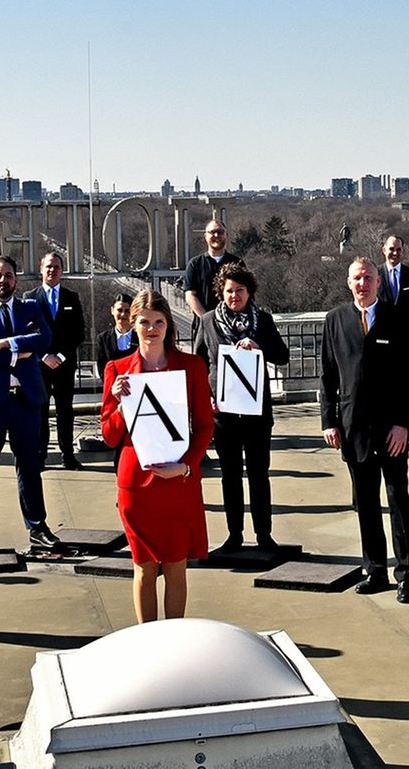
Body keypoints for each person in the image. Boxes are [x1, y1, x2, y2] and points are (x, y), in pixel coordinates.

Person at [101, 288, 214, 622]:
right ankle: (147, 644)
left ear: (168, 326)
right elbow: (110, 436)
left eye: (158, 322)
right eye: (145, 322)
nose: (151, 329)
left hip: (178, 482)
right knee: (144, 568)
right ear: (133, 324)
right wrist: (120, 403)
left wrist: (185, 466)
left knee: (177, 568)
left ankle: (174, 645)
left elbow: (205, 426)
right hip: (137, 484)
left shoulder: (191, 366)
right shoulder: (117, 369)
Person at [320, 257, 409, 601]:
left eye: (368, 278)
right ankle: (375, 569)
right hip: (353, 428)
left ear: (379, 282)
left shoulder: (398, 319)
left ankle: (406, 574)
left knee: (397, 499)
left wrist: (404, 424)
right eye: (356, 278)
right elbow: (328, 376)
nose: (362, 284)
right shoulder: (335, 320)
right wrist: (329, 421)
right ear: (349, 283)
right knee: (365, 502)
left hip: (391, 429)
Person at [0, 256, 62, 557]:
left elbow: (44, 338)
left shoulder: (30, 308)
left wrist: (8, 343)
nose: (3, 281)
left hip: (25, 400)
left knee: (30, 466)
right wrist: (18, 354)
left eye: (8, 275)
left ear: (16, 280)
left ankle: (37, 527)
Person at [195, 263, 289, 552]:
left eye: (239, 290)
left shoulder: (263, 319)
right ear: (220, 293)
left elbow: (282, 356)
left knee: (259, 474)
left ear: (249, 292)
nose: (234, 296)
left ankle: (264, 535)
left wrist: (259, 345)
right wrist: (205, 397)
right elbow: (198, 362)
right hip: (223, 414)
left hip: (256, 412)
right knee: (230, 475)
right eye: (229, 291)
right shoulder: (209, 321)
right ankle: (234, 535)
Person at [26, 251, 86, 470]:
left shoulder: (72, 298)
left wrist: (60, 356)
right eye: (48, 266)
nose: (52, 270)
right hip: (39, 367)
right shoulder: (29, 297)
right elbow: (27, 331)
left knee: (65, 411)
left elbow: (79, 332)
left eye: (57, 267)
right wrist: (44, 356)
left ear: (62, 271)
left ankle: (68, 455)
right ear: (41, 269)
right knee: (40, 411)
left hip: (64, 365)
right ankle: (41, 455)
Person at [183, 219, 239, 336]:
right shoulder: (195, 264)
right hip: (204, 328)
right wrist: (208, 320)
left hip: (233, 327)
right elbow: (190, 296)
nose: (216, 235)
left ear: (226, 235)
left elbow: (245, 294)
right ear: (205, 236)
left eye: (220, 232)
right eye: (212, 232)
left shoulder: (237, 263)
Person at [378, 235, 409, 328]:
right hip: (381, 332)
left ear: (403, 251)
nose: (395, 253)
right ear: (384, 250)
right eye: (391, 249)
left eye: (399, 249)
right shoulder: (375, 274)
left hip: (406, 335)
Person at [95, 294, 135, 369]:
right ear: (112, 310)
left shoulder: (140, 336)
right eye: (119, 310)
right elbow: (102, 367)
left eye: (127, 311)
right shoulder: (103, 339)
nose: (123, 314)